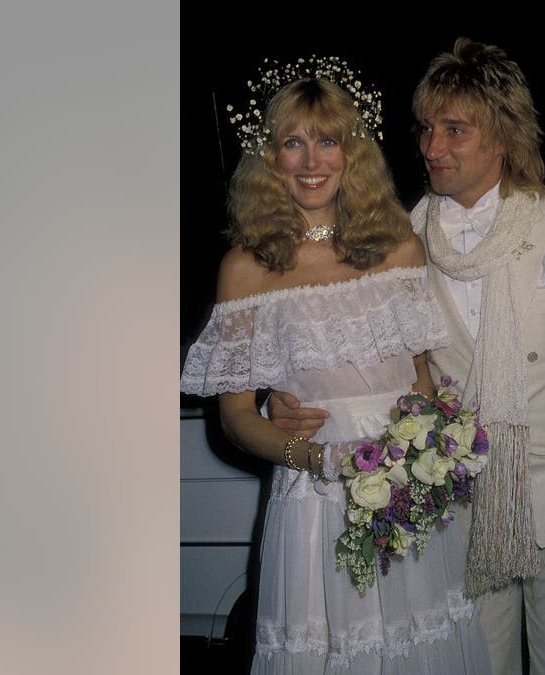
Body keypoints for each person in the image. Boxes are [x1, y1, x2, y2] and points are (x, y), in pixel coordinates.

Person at [270, 39, 545, 674]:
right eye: (426, 128)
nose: (430, 147)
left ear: (502, 135)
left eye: (454, 129)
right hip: (458, 492)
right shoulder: (404, 235)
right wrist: (279, 401)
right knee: (479, 662)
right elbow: (347, 340)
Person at [180, 63, 492, 674]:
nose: (310, 160)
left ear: (354, 152)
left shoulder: (401, 248)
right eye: (292, 142)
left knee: (418, 641)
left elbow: (420, 383)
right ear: (270, 158)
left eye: (328, 140)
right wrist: (317, 458)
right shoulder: (245, 269)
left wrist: (433, 452)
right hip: (314, 498)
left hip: (406, 494)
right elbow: (237, 419)